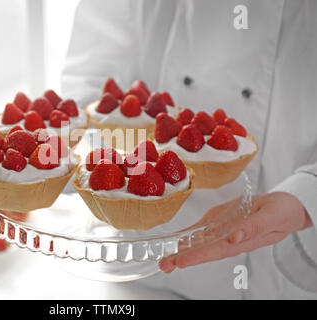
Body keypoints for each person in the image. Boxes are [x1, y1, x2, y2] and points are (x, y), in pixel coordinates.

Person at [59, 0, 317, 299]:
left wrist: (306, 193)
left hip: (272, 266)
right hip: (136, 261)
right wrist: (63, 164)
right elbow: (93, 85)